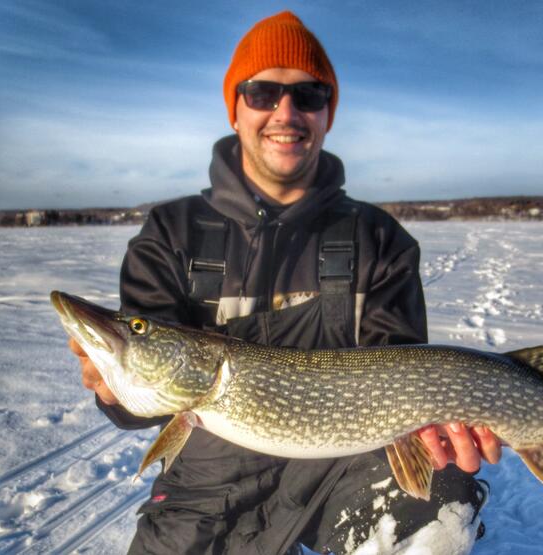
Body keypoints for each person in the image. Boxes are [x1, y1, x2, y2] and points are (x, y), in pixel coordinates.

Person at [69, 11, 502, 554]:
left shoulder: (379, 239)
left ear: (328, 113)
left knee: (441, 500)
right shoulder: (170, 234)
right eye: (262, 92)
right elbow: (148, 395)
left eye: (309, 94)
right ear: (236, 109)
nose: (286, 111)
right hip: (205, 488)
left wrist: (441, 434)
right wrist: (118, 386)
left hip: (341, 470)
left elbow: (400, 373)